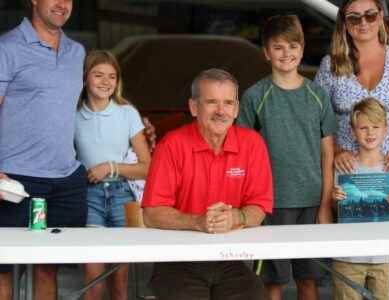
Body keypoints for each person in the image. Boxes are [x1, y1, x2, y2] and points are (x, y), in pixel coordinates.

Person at [313, 0, 389, 287]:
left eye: (370, 15)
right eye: (354, 18)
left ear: (381, 18)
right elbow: (319, 120)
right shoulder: (331, 65)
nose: (363, 23)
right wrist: (336, 150)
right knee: (352, 264)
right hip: (351, 174)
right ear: (344, 24)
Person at [141, 68, 273, 300]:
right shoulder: (172, 145)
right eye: (212, 102)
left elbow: (259, 208)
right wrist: (198, 221)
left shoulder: (253, 144)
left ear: (237, 109)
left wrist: (235, 217)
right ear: (194, 107)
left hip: (231, 259)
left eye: (228, 103)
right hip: (177, 261)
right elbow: (152, 214)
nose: (221, 111)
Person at [237, 15, 337, 300]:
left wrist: (325, 205)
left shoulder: (317, 95)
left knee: (308, 280)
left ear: (302, 49)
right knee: (272, 282)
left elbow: (327, 152)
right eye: (278, 47)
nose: (287, 54)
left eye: (293, 46)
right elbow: (243, 153)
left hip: (310, 201)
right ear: (266, 52)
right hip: (269, 204)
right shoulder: (255, 96)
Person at [0, 1, 87, 299]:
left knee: (48, 269)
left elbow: (69, 107)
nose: (63, 4)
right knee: (4, 269)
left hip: (66, 179)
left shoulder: (77, 52)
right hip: (14, 179)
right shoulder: (7, 47)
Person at [74, 50, 151, 300]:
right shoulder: (72, 114)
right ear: (85, 78)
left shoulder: (127, 113)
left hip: (122, 197)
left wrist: (110, 167)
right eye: (98, 75)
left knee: (119, 283)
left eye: (112, 76)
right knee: (94, 281)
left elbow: (146, 166)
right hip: (88, 196)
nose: (106, 82)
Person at [332, 98, 389, 300]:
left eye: (375, 127)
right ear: (352, 131)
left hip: (384, 255)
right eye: (363, 128)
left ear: (386, 130)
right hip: (348, 255)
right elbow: (335, 207)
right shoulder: (343, 167)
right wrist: (335, 198)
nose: (370, 133)